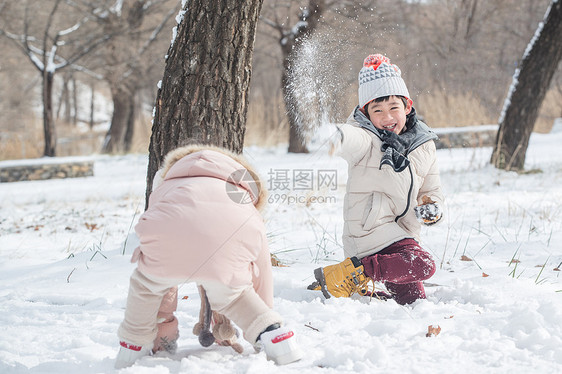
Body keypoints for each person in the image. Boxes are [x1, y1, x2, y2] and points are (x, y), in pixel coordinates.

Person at [115, 145, 302, 368]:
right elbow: (262, 269)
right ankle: (273, 334)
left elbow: (161, 233)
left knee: (148, 286)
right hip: (230, 238)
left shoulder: (168, 182)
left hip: (166, 235)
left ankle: (133, 344)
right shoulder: (242, 196)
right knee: (235, 295)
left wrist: (164, 326)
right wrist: (266, 309)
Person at [311, 54, 444, 305]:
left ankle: (358, 279)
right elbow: (351, 138)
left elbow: (431, 187)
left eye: (394, 107)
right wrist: (335, 135)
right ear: (366, 114)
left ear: (407, 106)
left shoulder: (423, 145)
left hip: (402, 239)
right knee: (424, 265)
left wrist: (432, 207)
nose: (387, 117)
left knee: (414, 300)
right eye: (377, 110)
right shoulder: (368, 140)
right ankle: (355, 273)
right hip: (367, 236)